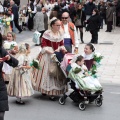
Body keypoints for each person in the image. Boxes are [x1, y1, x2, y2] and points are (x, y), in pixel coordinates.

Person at [32, 17, 67, 100]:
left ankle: (54, 91)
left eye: (60, 25)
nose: (59, 27)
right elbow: (43, 45)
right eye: (57, 25)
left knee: (55, 72)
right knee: (47, 72)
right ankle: (45, 90)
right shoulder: (47, 33)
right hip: (47, 55)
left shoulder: (60, 33)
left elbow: (61, 44)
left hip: (56, 54)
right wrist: (51, 52)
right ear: (52, 25)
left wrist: (63, 49)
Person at [0, 33, 18, 120]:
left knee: (0, 115)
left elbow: (16, 63)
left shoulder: (1, 50)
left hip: (0, 84)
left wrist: (9, 58)